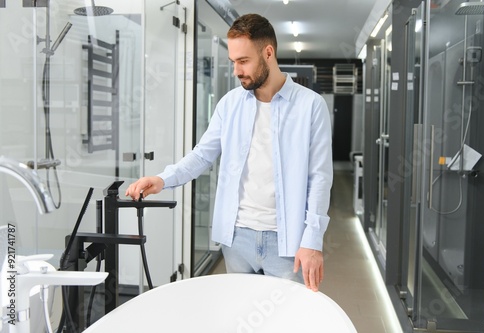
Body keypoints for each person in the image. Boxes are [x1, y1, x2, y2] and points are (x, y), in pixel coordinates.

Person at [126, 13, 333, 292]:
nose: (236, 70)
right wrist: (163, 179)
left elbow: (319, 179)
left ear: (268, 53)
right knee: (241, 316)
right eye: (233, 62)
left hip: (287, 242)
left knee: (285, 321)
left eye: (244, 61)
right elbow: (202, 155)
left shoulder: (311, 106)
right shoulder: (230, 104)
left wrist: (313, 241)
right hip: (236, 239)